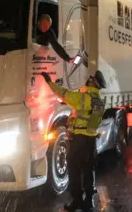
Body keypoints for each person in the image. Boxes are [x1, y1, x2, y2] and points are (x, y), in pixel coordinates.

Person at [40, 70, 107, 212]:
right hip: (91, 141)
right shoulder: (99, 100)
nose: (88, 79)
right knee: (88, 170)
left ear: (92, 82)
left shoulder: (83, 98)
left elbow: (63, 94)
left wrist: (49, 82)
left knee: (74, 170)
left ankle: (77, 200)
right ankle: (88, 202)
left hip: (79, 140)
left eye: (91, 78)